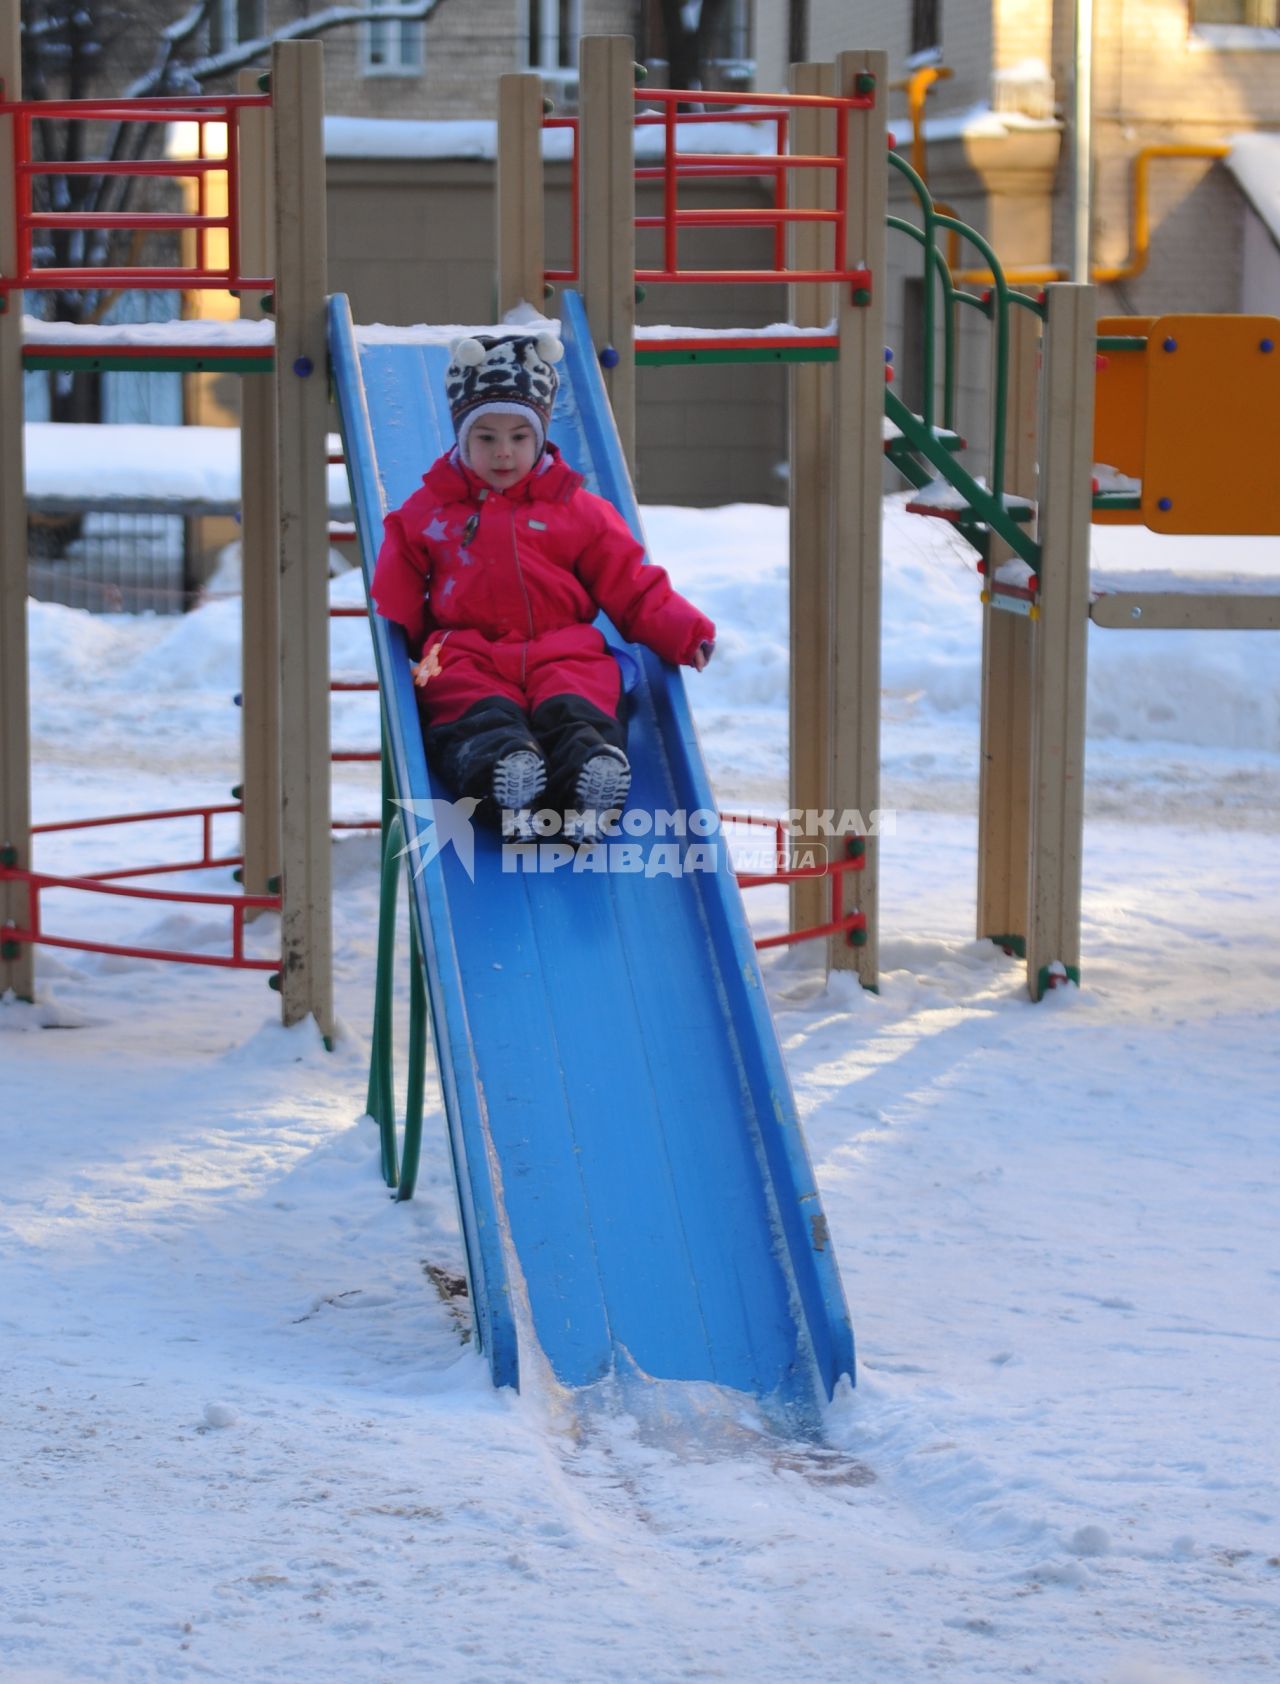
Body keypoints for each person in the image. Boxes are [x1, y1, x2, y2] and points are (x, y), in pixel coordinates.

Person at [371, 331, 715, 842]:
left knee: (581, 705)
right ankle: (506, 783)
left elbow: (632, 583)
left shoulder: (577, 510)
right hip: (466, 650)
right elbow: (397, 588)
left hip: (563, 648)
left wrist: (684, 632)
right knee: (470, 710)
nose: (503, 453)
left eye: (519, 437)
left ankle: (589, 784)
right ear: (462, 438)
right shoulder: (429, 511)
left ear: (540, 437)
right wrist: (412, 642)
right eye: (485, 438)